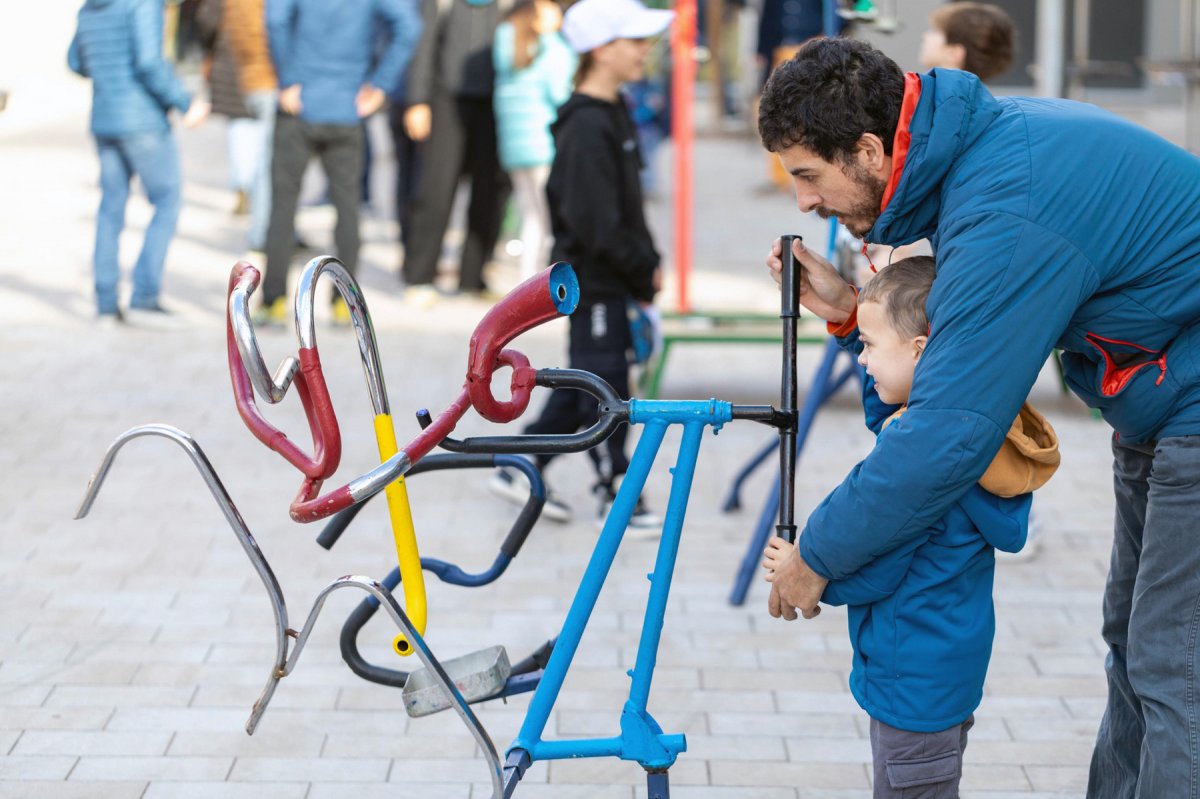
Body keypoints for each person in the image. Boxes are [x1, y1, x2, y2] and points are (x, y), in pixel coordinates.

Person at [756, 37, 1200, 797]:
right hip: (1161, 400)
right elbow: (938, 383)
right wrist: (845, 315)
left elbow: (947, 432)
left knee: (1174, 660)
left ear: (867, 150)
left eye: (807, 175)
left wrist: (817, 556)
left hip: (1184, 398)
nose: (803, 201)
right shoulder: (982, 153)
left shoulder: (1005, 208)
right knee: (1139, 643)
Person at [763, 256, 1058, 797]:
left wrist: (807, 572)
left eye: (872, 346)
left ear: (921, 351)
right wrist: (852, 324)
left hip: (908, 681)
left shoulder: (924, 474)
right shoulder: (973, 445)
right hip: (947, 671)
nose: (865, 361)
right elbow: (897, 413)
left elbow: (881, 569)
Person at [488, 0, 672, 532]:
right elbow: (597, 224)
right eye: (633, 41)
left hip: (616, 279)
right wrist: (643, 267)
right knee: (603, 385)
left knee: (591, 384)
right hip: (595, 282)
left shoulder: (611, 111)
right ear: (600, 49)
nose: (644, 51)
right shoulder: (586, 126)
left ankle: (520, 463)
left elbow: (626, 209)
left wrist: (646, 264)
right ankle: (616, 488)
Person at [257, 0, 420, 326]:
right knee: (348, 208)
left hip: (298, 106)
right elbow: (410, 26)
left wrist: (288, 79)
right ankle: (342, 304)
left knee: (283, 205)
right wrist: (380, 86)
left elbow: (274, 19)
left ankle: (273, 302)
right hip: (347, 107)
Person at [68, 0, 208, 328]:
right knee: (167, 200)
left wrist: (109, 68)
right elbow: (149, 62)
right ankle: (144, 296)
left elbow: (75, 61)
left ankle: (105, 304)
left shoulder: (89, 7)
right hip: (142, 120)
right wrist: (186, 103)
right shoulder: (142, 3)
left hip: (104, 119)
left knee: (110, 207)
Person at [399, 0, 514, 307]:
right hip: (445, 100)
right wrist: (417, 100)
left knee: (490, 192)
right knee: (435, 190)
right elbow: (423, 46)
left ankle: (472, 276)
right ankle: (419, 277)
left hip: (494, 103)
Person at [492, 0, 575, 282]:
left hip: (514, 146)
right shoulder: (552, 49)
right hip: (544, 144)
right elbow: (562, 95)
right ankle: (549, 282)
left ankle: (527, 279)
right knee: (549, 217)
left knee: (529, 214)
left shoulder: (510, 48)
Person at [919, 1, 1016, 82]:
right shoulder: (984, 102)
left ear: (954, 53)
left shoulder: (931, 101)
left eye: (937, 31)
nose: (925, 36)